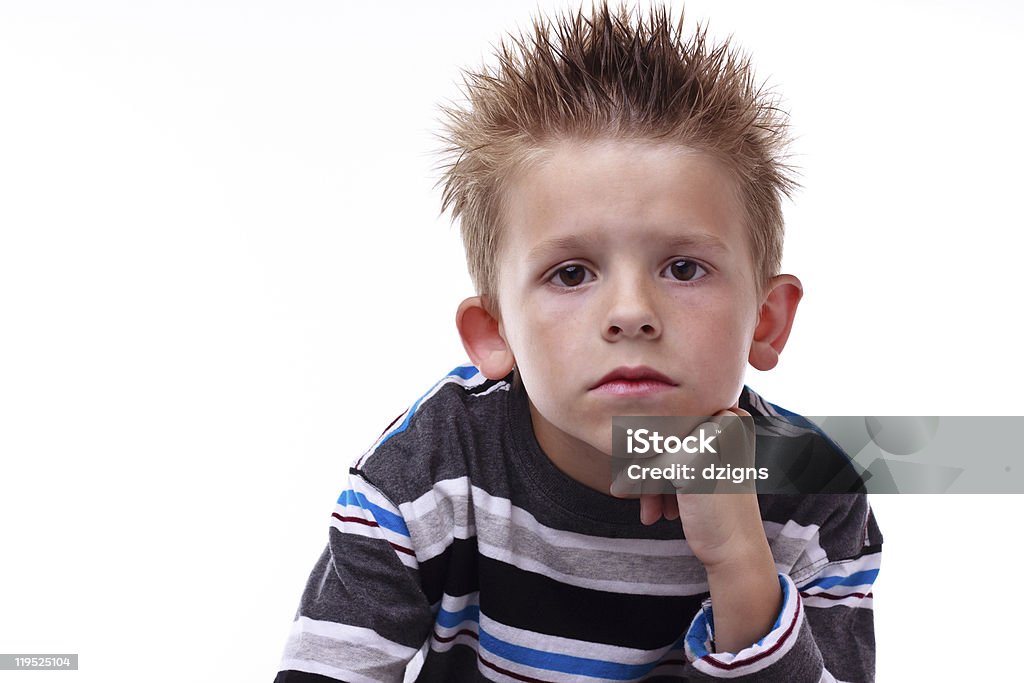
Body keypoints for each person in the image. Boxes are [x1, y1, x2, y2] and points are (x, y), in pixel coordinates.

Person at [275, 3, 882, 681]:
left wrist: (740, 561)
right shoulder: (426, 474)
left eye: (683, 268)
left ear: (767, 320)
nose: (630, 313)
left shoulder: (813, 495)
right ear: (495, 333)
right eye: (571, 273)